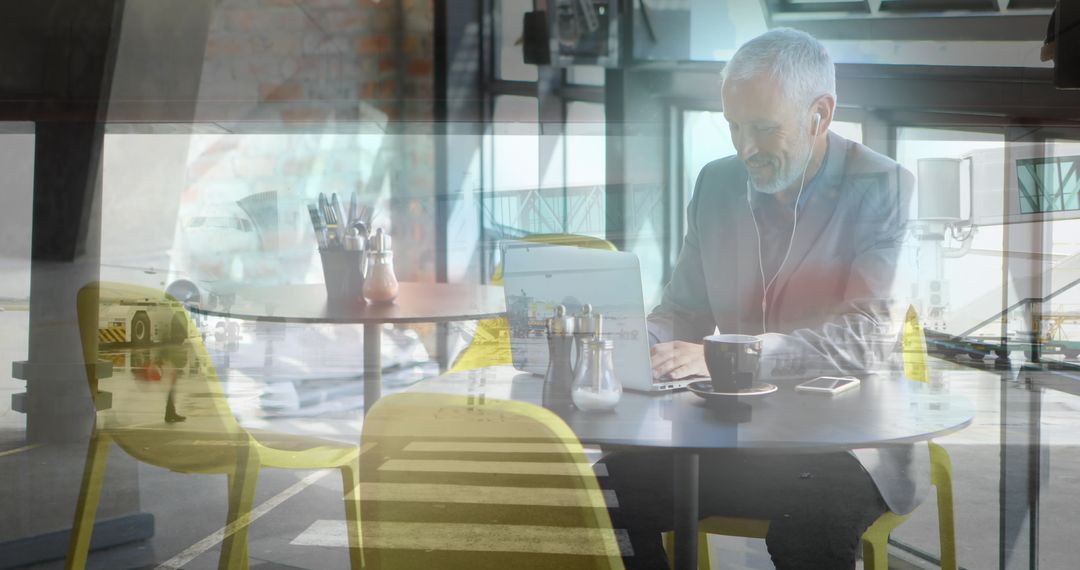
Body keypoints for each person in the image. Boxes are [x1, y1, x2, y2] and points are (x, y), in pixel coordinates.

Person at [600, 28, 918, 569]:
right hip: (727, 434)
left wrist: (728, 351)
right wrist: (630, 343)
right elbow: (683, 307)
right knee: (603, 495)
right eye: (733, 126)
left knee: (806, 527)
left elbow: (866, 340)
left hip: (844, 445)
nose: (746, 148)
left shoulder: (883, 187)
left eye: (764, 128)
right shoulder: (716, 183)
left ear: (820, 114)